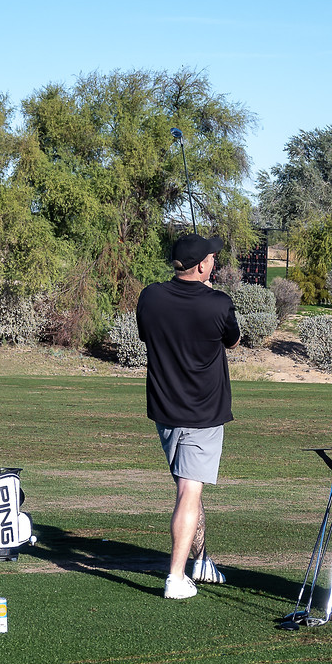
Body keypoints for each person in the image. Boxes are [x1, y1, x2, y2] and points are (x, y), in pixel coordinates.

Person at [135, 233, 241, 599]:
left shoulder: (150, 296)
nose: (214, 261)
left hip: (165, 411)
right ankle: (176, 577)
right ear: (200, 266)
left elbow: (146, 334)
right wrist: (208, 297)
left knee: (187, 491)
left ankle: (200, 560)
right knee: (189, 492)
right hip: (203, 412)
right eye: (211, 257)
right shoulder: (218, 303)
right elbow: (233, 340)